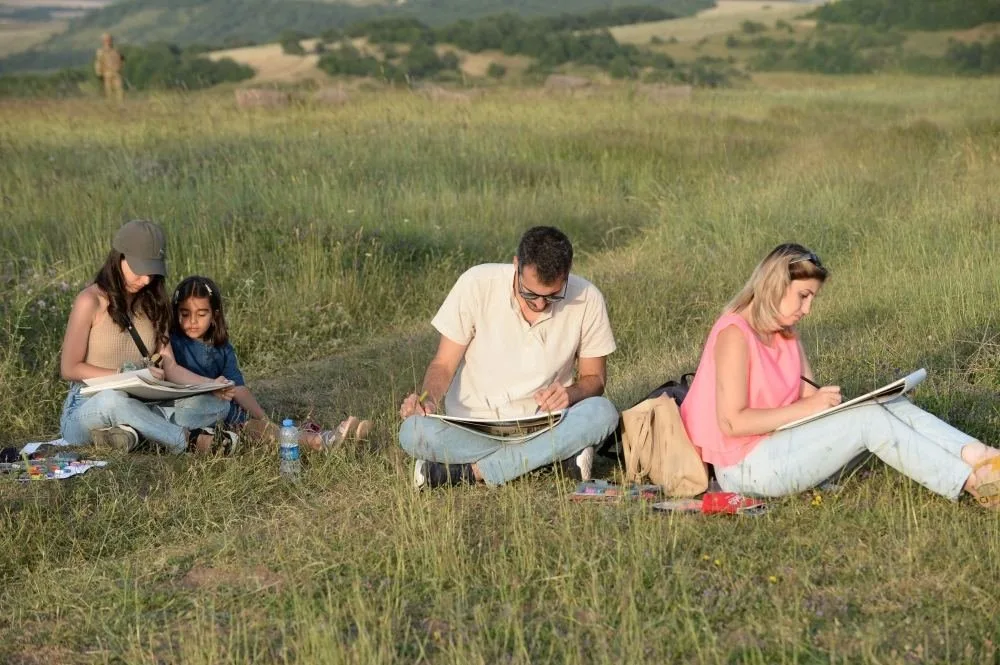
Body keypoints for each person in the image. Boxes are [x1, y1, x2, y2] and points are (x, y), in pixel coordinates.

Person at [679, 243, 1000, 507]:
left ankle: (984, 458)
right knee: (868, 421)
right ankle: (975, 485)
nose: (807, 310)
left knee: (889, 406)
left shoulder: (784, 330)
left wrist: (852, 403)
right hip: (744, 467)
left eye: (812, 299)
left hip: (779, 443)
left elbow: (808, 395)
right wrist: (812, 407)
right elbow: (733, 423)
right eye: (803, 296)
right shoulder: (734, 334)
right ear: (774, 285)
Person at [398, 226, 619, 489]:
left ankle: (472, 471)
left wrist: (569, 394)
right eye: (531, 294)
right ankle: (549, 458)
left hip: (544, 424)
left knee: (603, 413)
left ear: (568, 273)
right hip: (472, 426)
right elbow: (443, 365)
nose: (539, 304)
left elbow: (595, 380)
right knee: (412, 433)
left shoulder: (588, 298)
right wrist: (429, 401)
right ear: (516, 265)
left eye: (552, 296)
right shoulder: (477, 283)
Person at [60, 220, 236, 454]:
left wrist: (209, 385)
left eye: (152, 273)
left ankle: (133, 434)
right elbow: (69, 368)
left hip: (143, 402)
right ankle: (185, 441)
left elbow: (170, 366)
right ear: (119, 258)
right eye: (139, 270)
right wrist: (124, 375)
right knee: (114, 400)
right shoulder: (90, 301)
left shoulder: (153, 304)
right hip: (90, 405)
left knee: (217, 405)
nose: (146, 280)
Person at [170, 275, 371, 450]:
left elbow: (238, 388)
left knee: (260, 429)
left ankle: (324, 440)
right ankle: (324, 440)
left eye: (201, 314)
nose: (192, 321)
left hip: (224, 412)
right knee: (229, 414)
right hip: (189, 411)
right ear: (176, 312)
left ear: (214, 315)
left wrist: (264, 419)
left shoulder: (222, 347)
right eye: (185, 314)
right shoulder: (174, 343)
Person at [94, 33, 124, 102]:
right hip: (106, 74)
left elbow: (122, 59)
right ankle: (110, 107)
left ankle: (120, 106)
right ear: (103, 41)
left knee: (120, 91)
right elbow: (98, 63)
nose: (108, 41)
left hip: (116, 74)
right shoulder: (100, 52)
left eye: (109, 39)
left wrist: (120, 67)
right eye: (106, 40)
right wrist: (99, 74)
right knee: (109, 93)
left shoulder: (116, 50)